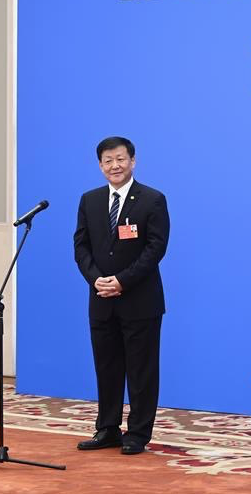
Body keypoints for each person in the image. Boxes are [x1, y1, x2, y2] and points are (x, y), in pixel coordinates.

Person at [73, 136, 169, 455]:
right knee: (107, 368)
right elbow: (81, 247)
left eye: (120, 159)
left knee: (141, 371)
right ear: (100, 165)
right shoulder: (90, 200)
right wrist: (96, 279)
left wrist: (122, 281)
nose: (115, 165)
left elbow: (155, 249)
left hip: (140, 301)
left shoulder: (152, 199)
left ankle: (138, 433)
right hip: (101, 299)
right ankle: (108, 428)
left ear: (133, 161)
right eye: (108, 160)